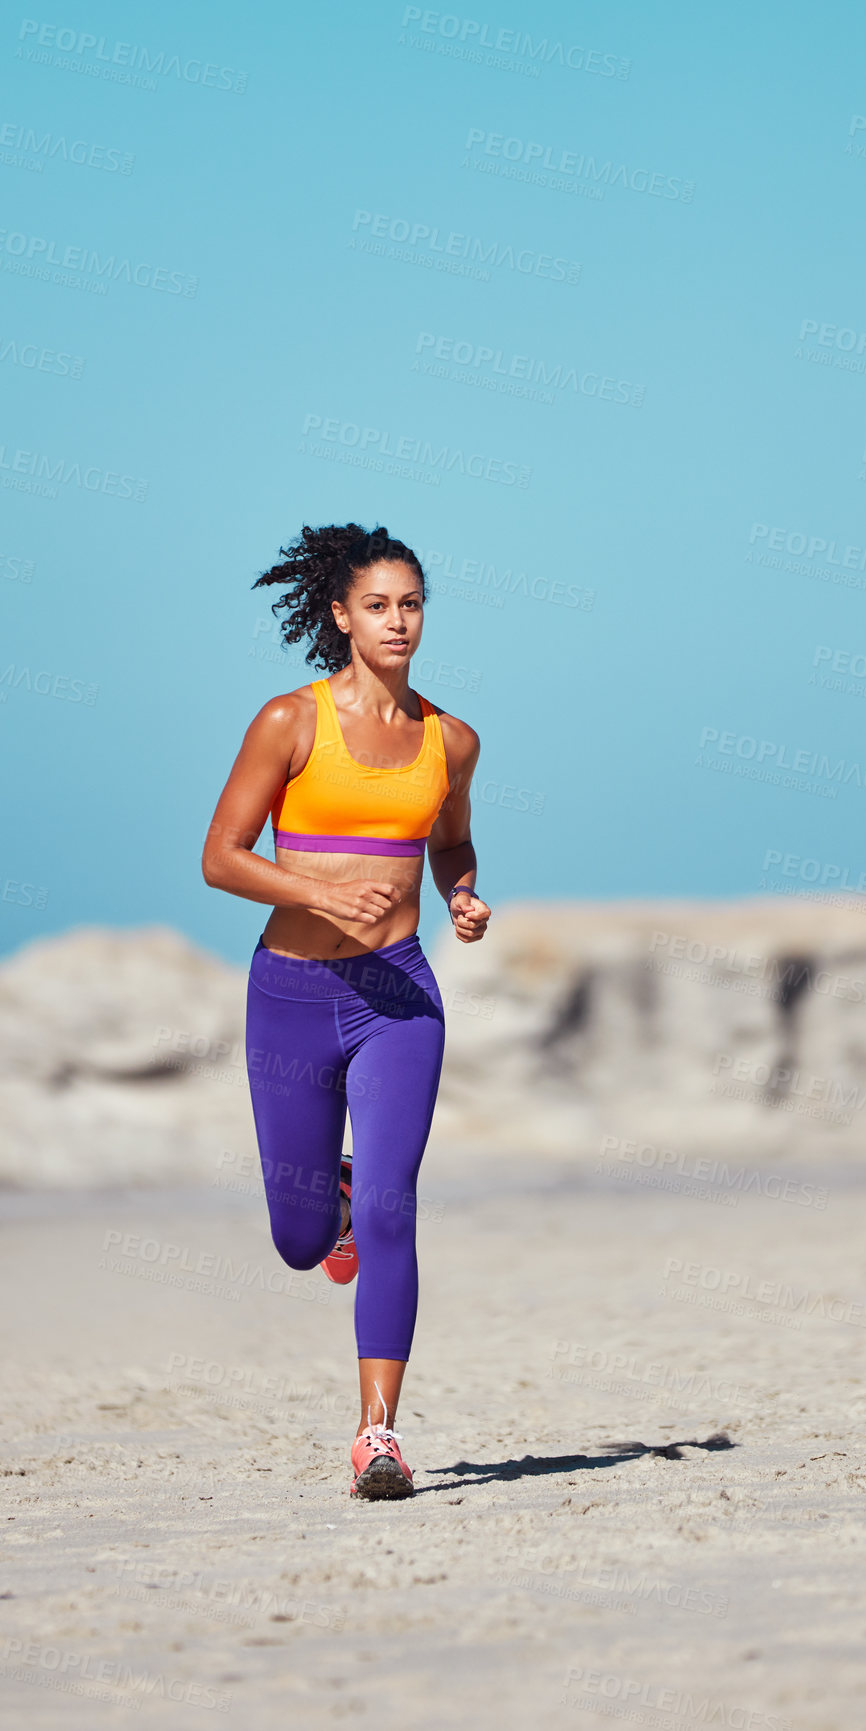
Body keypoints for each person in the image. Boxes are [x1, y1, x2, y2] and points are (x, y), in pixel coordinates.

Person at [202, 523, 490, 1499]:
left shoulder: (449, 740)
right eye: (377, 605)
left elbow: (450, 842)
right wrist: (319, 895)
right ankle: (334, 1201)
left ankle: (377, 1435)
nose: (397, 621)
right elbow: (222, 856)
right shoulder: (290, 722)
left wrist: (459, 894)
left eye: (411, 603)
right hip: (290, 993)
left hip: (397, 999)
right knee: (297, 1240)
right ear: (340, 615)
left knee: (393, 1206)